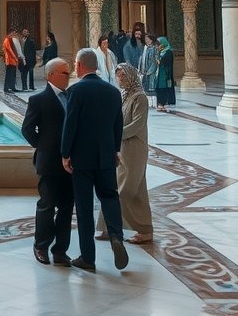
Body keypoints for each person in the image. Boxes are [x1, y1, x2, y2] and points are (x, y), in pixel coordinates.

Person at [61, 48, 129, 272]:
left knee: (84, 206)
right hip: (106, 155)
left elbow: (70, 124)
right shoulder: (112, 91)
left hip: (82, 157)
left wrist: (65, 153)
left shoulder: (76, 91)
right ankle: (116, 236)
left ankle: (88, 258)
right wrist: (115, 150)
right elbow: (117, 124)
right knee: (110, 197)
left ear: (80, 66)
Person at [21, 57, 73, 267]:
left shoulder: (72, 97)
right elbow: (27, 129)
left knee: (67, 207)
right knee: (47, 205)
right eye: (65, 73)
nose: (68, 77)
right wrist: (44, 147)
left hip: (70, 164)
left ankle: (60, 250)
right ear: (51, 75)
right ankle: (41, 246)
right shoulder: (39, 100)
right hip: (49, 162)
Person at [113, 63, 153, 244]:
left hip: (135, 148)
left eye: (122, 76)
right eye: (118, 76)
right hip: (123, 146)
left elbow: (137, 124)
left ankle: (143, 229)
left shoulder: (140, 98)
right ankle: (111, 228)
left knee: (128, 189)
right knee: (122, 187)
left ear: (130, 76)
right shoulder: (125, 95)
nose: (119, 79)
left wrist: (115, 134)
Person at [153, 36, 176, 111]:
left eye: (159, 44)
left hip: (165, 74)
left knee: (163, 88)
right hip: (159, 73)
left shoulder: (168, 52)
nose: (158, 45)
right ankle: (160, 103)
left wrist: (159, 59)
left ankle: (163, 103)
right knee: (159, 88)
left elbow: (163, 62)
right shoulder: (161, 51)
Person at [1, 27, 21, 94]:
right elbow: (10, 50)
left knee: (13, 75)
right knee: (8, 75)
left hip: (13, 61)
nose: (14, 34)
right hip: (9, 60)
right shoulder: (7, 40)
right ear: (11, 32)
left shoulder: (10, 39)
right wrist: (15, 58)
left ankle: (12, 87)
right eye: (14, 33)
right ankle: (6, 88)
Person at [139, 34, 157, 100]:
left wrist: (150, 70)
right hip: (146, 70)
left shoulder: (154, 49)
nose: (146, 41)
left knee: (151, 87)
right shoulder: (147, 48)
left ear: (151, 40)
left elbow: (154, 61)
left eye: (147, 39)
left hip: (151, 71)